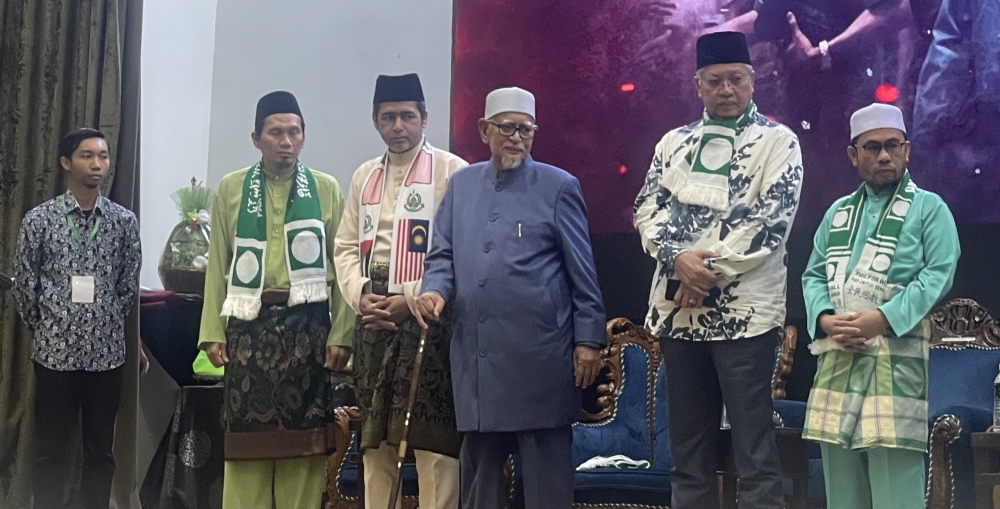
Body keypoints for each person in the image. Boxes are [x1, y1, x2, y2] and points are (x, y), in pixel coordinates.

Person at [414, 87, 607, 509]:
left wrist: (589, 340)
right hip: (478, 357)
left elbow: (583, 272)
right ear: (485, 130)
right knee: (479, 481)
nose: (517, 138)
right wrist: (433, 291)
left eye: (526, 129)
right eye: (507, 128)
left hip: (541, 358)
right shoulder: (461, 185)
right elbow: (442, 255)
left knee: (546, 487)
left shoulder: (558, 186)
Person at [633, 32, 803, 509]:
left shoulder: (777, 141)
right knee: (687, 451)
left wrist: (701, 273)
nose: (726, 89)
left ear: (752, 80)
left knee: (754, 450)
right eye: (715, 81)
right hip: (678, 314)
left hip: (746, 315)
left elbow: (770, 221)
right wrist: (679, 262)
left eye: (735, 79)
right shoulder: (675, 143)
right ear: (698, 85)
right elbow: (648, 209)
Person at [197, 91, 354, 509]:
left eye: (294, 132)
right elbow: (218, 266)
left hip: (308, 331)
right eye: (276, 132)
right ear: (256, 138)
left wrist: (342, 333)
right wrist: (213, 330)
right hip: (247, 329)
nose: (286, 141)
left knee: (301, 453)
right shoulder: (232, 188)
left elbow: (342, 265)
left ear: (303, 137)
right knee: (246, 451)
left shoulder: (325, 188)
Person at [801, 103, 959, 509]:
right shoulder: (837, 213)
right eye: (872, 147)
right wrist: (824, 318)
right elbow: (813, 274)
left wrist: (883, 318)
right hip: (839, 354)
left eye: (893, 145)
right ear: (854, 155)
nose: (884, 156)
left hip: (894, 356)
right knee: (841, 480)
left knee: (896, 481)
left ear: (907, 149)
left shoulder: (930, 208)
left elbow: (937, 274)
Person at [333, 73, 466, 509]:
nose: (398, 126)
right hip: (373, 318)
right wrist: (360, 295)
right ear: (375, 121)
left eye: (408, 116)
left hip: (428, 318)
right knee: (375, 445)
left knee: (432, 445)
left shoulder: (453, 171)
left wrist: (409, 298)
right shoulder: (363, 176)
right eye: (388, 117)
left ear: (425, 118)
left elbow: (458, 251)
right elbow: (346, 246)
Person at [12, 128, 143, 509]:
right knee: (51, 450)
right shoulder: (40, 220)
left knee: (100, 451)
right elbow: (25, 286)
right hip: (54, 355)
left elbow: (126, 286)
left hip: (106, 357)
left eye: (103, 156)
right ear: (66, 163)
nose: (97, 163)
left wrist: (102, 323)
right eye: (87, 155)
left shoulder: (123, 222)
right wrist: (50, 326)